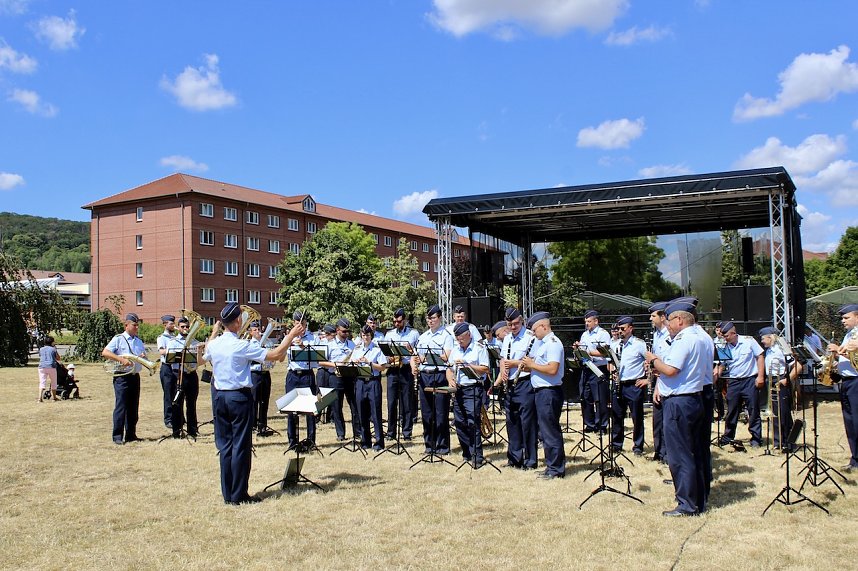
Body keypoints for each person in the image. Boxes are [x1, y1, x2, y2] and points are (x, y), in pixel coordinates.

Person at [203, 302, 304, 505]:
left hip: (219, 397)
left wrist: (214, 333)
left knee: (225, 447)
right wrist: (290, 336)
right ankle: (239, 494)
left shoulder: (214, 344)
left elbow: (205, 355)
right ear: (238, 321)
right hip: (238, 397)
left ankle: (228, 494)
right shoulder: (240, 345)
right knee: (241, 446)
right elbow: (275, 355)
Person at [645, 300, 712, 516]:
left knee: (680, 455)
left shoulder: (685, 339)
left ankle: (686, 504)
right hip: (692, 398)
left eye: (670, 321)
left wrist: (653, 359)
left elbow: (670, 370)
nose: (668, 325)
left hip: (679, 402)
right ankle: (698, 500)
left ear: (680, 320)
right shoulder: (700, 337)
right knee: (694, 452)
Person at [521, 312, 566, 479]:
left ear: (544, 327)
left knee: (550, 431)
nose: (533, 334)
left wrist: (532, 365)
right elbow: (540, 366)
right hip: (541, 392)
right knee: (545, 432)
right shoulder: (542, 344)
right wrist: (529, 366)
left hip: (549, 391)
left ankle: (556, 469)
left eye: (534, 330)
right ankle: (551, 466)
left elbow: (553, 369)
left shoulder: (553, 343)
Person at [495, 307, 538, 470]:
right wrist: (502, 370)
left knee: (527, 423)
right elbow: (502, 359)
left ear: (521, 320)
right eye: (509, 324)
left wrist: (513, 363)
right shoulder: (507, 339)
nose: (513, 327)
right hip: (510, 385)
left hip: (525, 383)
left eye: (515, 324)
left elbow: (532, 364)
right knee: (511, 422)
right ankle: (514, 458)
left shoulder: (529, 337)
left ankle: (530, 460)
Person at [412, 304, 454, 455]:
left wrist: (433, 356)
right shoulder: (423, 337)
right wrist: (414, 364)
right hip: (425, 375)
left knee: (441, 413)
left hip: (439, 375)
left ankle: (443, 447)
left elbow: (447, 357)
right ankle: (430, 446)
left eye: (433, 318)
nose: (430, 321)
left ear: (440, 318)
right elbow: (416, 357)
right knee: (427, 413)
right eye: (428, 318)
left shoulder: (446, 336)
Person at [446, 321, 490, 464]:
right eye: (457, 339)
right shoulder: (456, 349)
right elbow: (449, 368)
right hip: (459, 389)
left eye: (462, 338)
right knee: (460, 422)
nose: (460, 341)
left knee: (473, 422)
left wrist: (468, 365)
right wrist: (450, 379)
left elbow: (485, 369)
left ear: (469, 335)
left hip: (473, 388)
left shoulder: (479, 348)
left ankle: (477, 456)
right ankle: (467, 453)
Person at [718, 321, 765, 447]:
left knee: (753, 410)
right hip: (733, 381)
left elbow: (760, 356)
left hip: (749, 379)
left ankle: (756, 438)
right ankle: (728, 437)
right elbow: (723, 363)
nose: (725, 338)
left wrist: (760, 376)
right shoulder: (724, 346)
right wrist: (718, 371)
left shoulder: (748, 341)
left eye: (726, 335)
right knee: (732, 410)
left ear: (733, 333)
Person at [102, 314, 147, 445]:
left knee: (133, 407)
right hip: (122, 376)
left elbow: (138, 357)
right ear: (126, 325)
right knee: (121, 406)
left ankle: (131, 434)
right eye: (134, 325)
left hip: (134, 376)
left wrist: (142, 357)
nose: (136, 327)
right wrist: (121, 359)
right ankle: (117, 436)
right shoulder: (118, 339)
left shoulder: (138, 341)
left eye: (138, 325)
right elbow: (105, 352)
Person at [610, 316, 648, 456]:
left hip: (634, 384)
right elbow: (611, 363)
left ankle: (638, 446)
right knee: (617, 416)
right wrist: (613, 372)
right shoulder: (615, 345)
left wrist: (647, 380)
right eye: (618, 329)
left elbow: (650, 361)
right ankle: (616, 444)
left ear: (630, 328)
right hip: (619, 383)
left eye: (622, 329)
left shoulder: (639, 344)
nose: (620, 331)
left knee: (637, 417)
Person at [828, 304, 858, 471]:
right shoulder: (849, 334)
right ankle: (855, 458)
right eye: (842, 318)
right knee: (850, 422)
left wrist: (839, 350)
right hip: (846, 381)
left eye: (846, 318)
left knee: (856, 420)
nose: (843, 321)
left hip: (856, 380)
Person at [318, 318, 358, 441]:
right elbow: (321, 362)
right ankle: (341, 434)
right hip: (335, 377)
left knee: (354, 406)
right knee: (336, 407)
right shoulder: (328, 344)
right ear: (337, 330)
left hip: (350, 377)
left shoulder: (352, 344)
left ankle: (358, 432)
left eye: (348, 331)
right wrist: (336, 364)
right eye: (344, 331)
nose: (346, 334)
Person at [384, 308, 420, 441]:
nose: (396, 324)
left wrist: (411, 352)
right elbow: (385, 353)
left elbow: (418, 353)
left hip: (405, 369)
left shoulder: (413, 334)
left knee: (407, 402)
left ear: (404, 320)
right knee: (392, 402)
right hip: (393, 370)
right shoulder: (389, 334)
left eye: (399, 321)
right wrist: (389, 358)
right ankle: (391, 432)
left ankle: (406, 432)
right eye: (394, 321)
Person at [285, 310, 319, 448]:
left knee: (310, 409)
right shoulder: (289, 337)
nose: (301, 327)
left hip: (307, 375)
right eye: (298, 324)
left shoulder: (313, 338)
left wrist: (302, 346)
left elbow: (318, 358)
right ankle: (292, 441)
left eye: (303, 324)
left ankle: (310, 441)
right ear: (294, 323)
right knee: (291, 409)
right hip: (293, 375)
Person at [352, 325, 389, 450]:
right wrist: (356, 363)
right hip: (360, 382)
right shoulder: (356, 349)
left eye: (367, 335)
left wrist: (369, 363)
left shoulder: (377, 350)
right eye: (363, 335)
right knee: (362, 412)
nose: (365, 337)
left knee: (375, 412)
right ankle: (365, 441)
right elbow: (351, 365)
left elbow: (383, 367)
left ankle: (379, 442)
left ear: (371, 336)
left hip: (373, 381)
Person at [758, 326, 795, 451]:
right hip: (771, 380)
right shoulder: (769, 350)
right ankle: (778, 440)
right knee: (775, 413)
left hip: (781, 380)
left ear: (770, 337)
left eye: (763, 338)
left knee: (782, 413)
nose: (762, 341)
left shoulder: (781, 349)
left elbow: (798, 366)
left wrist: (787, 379)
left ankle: (786, 441)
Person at [576, 310, 611, 433]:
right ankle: (589, 424)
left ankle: (601, 425)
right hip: (587, 368)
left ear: (596, 321)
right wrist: (578, 349)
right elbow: (583, 349)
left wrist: (589, 353)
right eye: (586, 322)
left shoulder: (603, 334)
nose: (587, 324)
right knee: (585, 396)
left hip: (598, 368)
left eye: (589, 321)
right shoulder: (585, 335)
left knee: (600, 398)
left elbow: (605, 351)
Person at [648, 302, 670, 463]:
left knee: (668, 420)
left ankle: (668, 453)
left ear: (663, 317)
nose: (651, 318)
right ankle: (659, 451)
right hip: (659, 377)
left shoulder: (671, 334)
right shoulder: (656, 334)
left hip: (668, 378)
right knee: (657, 418)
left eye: (653, 315)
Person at [249, 320, 279, 436]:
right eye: (255, 330)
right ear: (251, 332)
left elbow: (273, 357)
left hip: (266, 374)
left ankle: (263, 425)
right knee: (254, 401)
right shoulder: (250, 345)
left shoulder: (268, 343)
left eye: (259, 329)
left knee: (264, 401)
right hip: (255, 375)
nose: (258, 332)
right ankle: (252, 425)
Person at [157, 314, 178, 430]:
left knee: (177, 392)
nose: (173, 326)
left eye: (173, 323)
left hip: (175, 367)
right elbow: (162, 351)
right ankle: (168, 419)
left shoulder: (175, 337)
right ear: (165, 325)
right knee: (168, 394)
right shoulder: (161, 338)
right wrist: (174, 351)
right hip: (166, 367)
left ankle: (178, 417)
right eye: (171, 324)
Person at [37, 335, 62, 402]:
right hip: (51, 366)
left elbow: (41, 356)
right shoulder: (53, 349)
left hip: (41, 366)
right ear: (52, 342)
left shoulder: (41, 349)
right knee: (54, 382)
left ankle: (39, 398)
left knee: (42, 382)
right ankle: (54, 398)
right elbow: (58, 358)